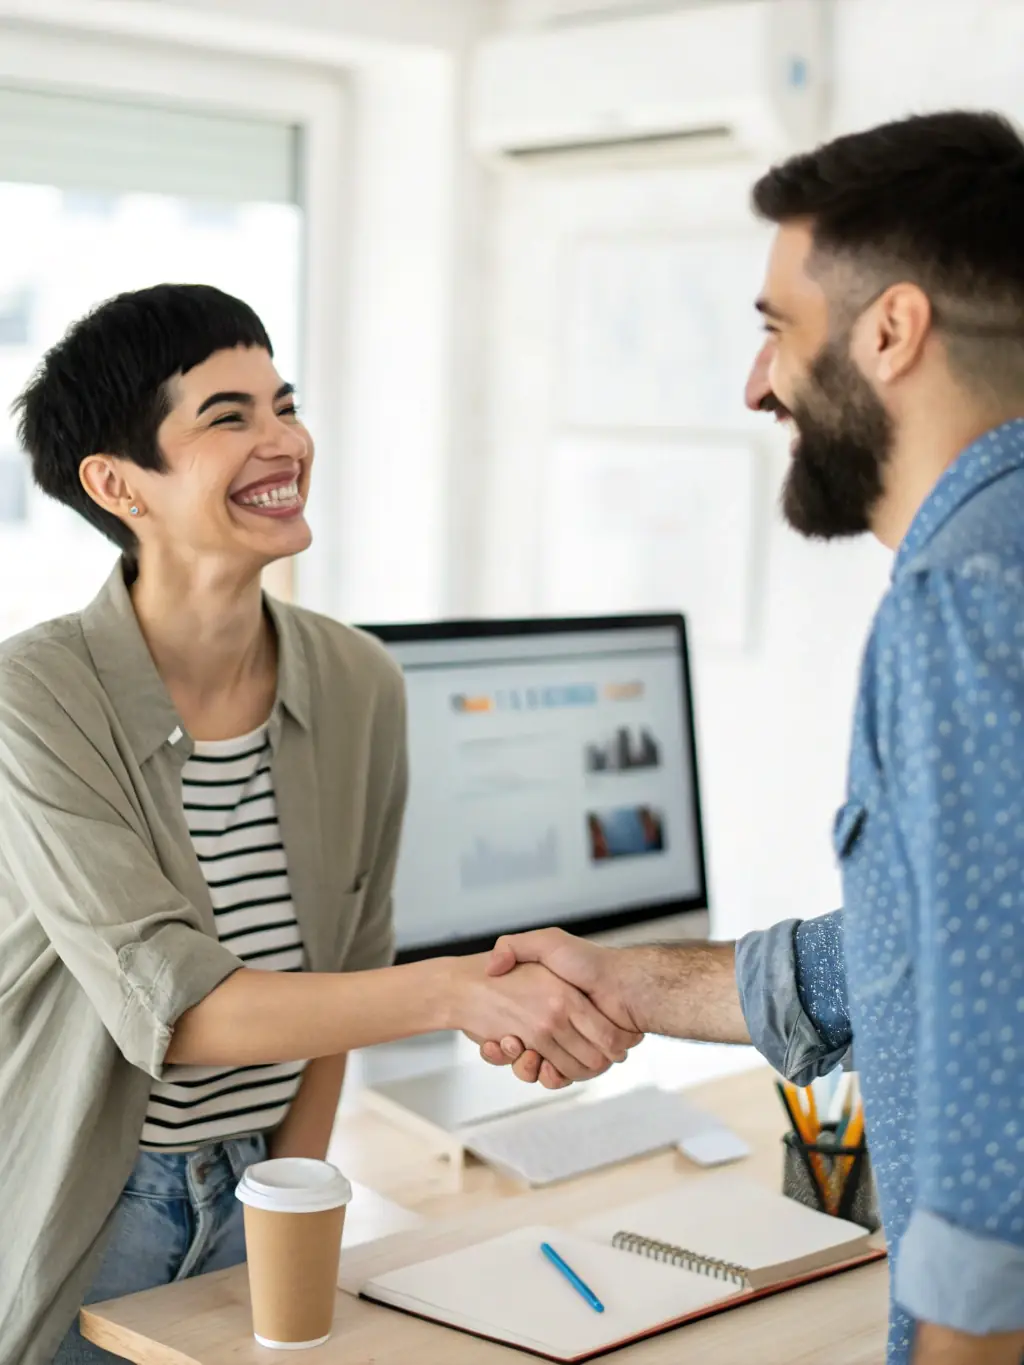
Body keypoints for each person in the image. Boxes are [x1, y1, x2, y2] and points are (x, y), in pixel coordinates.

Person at [0, 284, 640, 1365]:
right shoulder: (38, 696)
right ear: (118, 485)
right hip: (87, 1205)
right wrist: (457, 988)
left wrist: (289, 1198)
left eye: (283, 402)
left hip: (266, 1178)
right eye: (228, 416)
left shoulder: (358, 681)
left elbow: (342, 974)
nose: (285, 438)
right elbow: (181, 1010)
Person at [478, 110, 1024, 1365]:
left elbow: (995, 1072)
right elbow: (933, 947)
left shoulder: (961, 606)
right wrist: (636, 983)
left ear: (890, 331)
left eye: (776, 328)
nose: (755, 381)